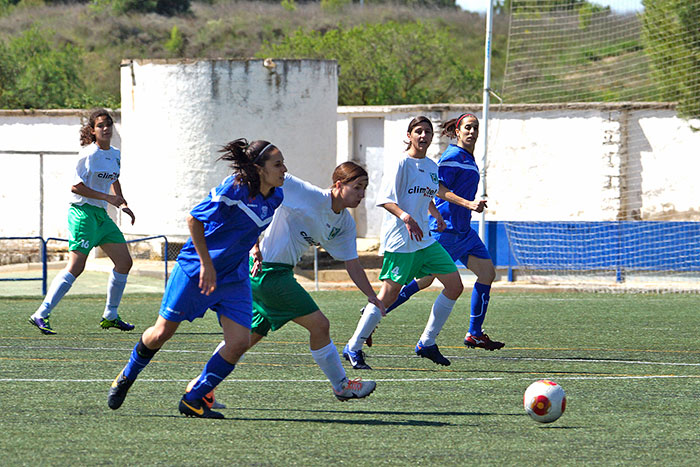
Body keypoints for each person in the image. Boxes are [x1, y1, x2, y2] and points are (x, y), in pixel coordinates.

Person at [107, 138, 286, 419]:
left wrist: (254, 247)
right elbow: (194, 220)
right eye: (278, 164)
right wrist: (206, 264)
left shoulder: (276, 196)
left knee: (239, 342)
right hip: (196, 270)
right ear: (258, 169)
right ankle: (127, 375)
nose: (284, 169)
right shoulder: (234, 189)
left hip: (233, 277)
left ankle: (193, 399)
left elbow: (249, 226)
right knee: (161, 333)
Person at [188, 162, 380, 405]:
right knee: (320, 325)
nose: (362, 194)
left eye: (364, 188)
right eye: (357, 187)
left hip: (273, 273)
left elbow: (352, 263)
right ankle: (342, 386)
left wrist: (372, 297)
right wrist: (254, 243)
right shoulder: (308, 194)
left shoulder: (344, 224)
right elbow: (266, 177)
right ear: (339, 185)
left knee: (245, 340)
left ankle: (200, 387)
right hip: (268, 273)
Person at [342, 116, 480, 370]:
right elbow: (385, 199)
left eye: (427, 132)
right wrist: (405, 217)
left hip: (424, 240)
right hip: (401, 242)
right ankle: (354, 346)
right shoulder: (401, 163)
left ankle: (427, 342)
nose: (423, 136)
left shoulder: (430, 166)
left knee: (454, 285)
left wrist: (436, 214)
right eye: (418, 131)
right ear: (409, 135)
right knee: (388, 295)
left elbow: (429, 193)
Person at [372, 113, 504, 351]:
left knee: (487, 274)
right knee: (423, 280)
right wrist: (468, 204)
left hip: (464, 231)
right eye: (467, 127)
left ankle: (474, 334)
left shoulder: (468, 158)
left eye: (475, 128)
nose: (472, 131)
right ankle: (375, 313)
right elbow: (437, 189)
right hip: (447, 229)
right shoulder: (452, 157)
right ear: (457, 132)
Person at [28, 108, 136, 335]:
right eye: (100, 125)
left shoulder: (115, 153)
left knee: (124, 262)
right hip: (82, 214)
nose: (105, 128)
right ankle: (41, 313)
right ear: (92, 130)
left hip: (101, 216)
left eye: (108, 124)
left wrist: (122, 203)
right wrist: (108, 198)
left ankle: (110, 315)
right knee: (76, 267)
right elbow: (76, 187)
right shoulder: (88, 154)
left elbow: (114, 178)